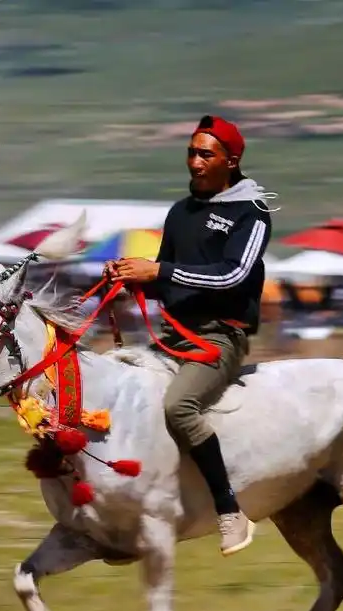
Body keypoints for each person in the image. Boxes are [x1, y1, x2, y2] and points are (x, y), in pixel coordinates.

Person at [107, 115, 276, 556]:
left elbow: (233, 276)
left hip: (219, 339)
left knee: (177, 407)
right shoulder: (180, 212)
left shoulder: (251, 214)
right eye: (191, 152)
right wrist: (132, 279)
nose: (195, 162)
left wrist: (157, 269)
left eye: (206, 154)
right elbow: (166, 280)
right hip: (172, 336)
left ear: (231, 160)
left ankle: (229, 510)